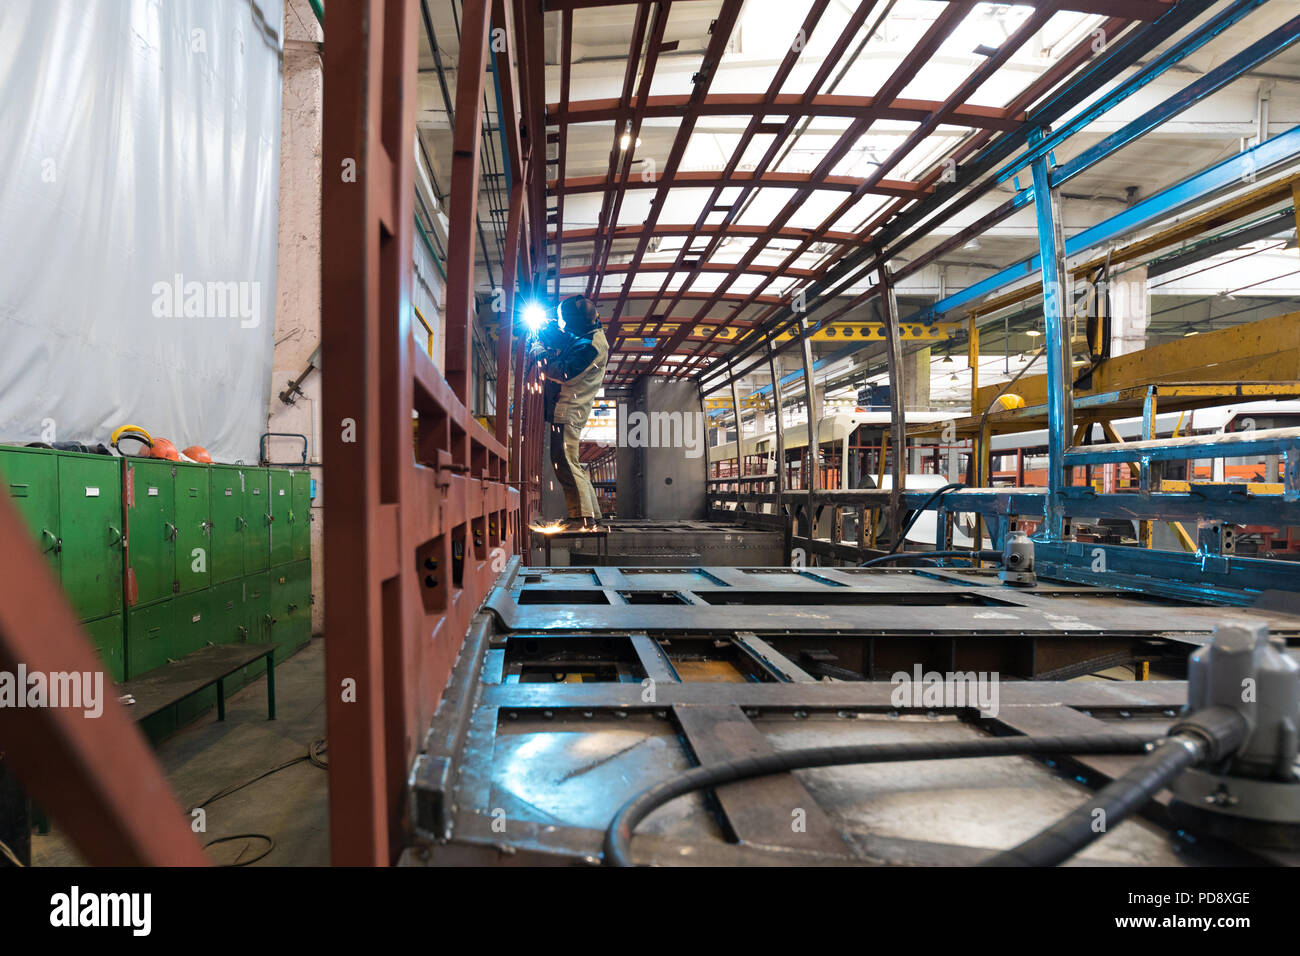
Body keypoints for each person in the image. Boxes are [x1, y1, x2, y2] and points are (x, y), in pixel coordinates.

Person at [531, 295, 608, 530]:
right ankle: (591, 516)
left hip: (568, 408)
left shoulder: (591, 345)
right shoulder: (590, 335)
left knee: (564, 461)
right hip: (572, 408)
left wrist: (540, 355)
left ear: (575, 323)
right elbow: (569, 341)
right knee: (572, 462)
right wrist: (549, 333)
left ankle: (581, 519)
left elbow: (565, 371)